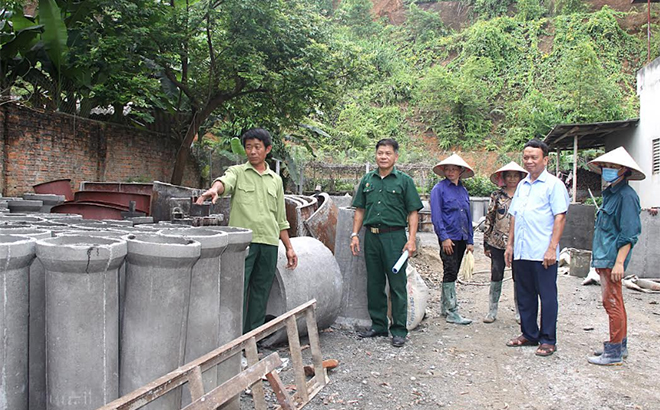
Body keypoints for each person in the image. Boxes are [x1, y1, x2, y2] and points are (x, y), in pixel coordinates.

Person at [196, 128, 297, 334]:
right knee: (237, 290)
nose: (252, 151)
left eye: (257, 147)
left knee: (261, 293)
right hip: (244, 243)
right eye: (249, 147)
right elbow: (224, 181)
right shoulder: (238, 173)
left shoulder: (276, 181)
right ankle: (234, 339)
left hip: (268, 242)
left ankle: (254, 340)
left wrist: (289, 247)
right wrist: (215, 189)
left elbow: (281, 218)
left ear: (267, 149)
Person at [350, 138, 423, 347]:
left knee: (397, 284)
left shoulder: (404, 181)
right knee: (374, 282)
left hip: (395, 237)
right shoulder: (367, 180)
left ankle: (399, 329)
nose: (383, 156)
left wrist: (411, 240)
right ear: (376, 155)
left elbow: (413, 212)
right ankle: (378, 325)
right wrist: (354, 234)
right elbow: (360, 210)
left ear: (396, 156)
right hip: (371, 236)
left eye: (388, 153)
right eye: (380, 153)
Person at [504, 139, 570, 357]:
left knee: (547, 295)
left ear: (545, 159)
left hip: (542, 252)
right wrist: (510, 245)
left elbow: (559, 217)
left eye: (534, 157)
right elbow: (515, 216)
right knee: (524, 294)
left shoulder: (553, 185)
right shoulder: (522, 185)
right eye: (526, 157)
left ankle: (548, 339)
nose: (529, 161)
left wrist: (552, 248)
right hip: (522, 251)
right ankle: (529, 334)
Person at [586, 147, 644, 366]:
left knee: (612, 302)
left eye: (614, 166)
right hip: (605, 257)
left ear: (624, 170)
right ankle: (619, 345)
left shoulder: (627, 197)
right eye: (606, 166)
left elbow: (629, 233)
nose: (608, 170)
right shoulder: (611, 194)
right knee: (614, 301)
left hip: (612, 259)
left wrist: (619, 262)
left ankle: (614, 353)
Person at [430, 153, 475, 325]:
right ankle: (452, 311)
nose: (450, 172)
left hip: (462, 236)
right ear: (443, 171)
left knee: (453, 271)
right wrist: (444, 238)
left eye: (454, 169)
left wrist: (470, 240)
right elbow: (437, 216)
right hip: (448, 237)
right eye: (447, 169)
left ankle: (444, 307)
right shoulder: (438, 190)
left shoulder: (463, 190)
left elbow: (467, 216)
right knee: (450, 270)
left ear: (460, 171)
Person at [483, 162, 527, 323]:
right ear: (503, 178)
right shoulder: (497, 196)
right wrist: (486, 242)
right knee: (496, 274)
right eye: (509, 176)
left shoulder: (525, 194)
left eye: (516, 176)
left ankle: (520, 312)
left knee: (519, 277)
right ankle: (492, 311)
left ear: (521, 177)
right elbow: (490, 217)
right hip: (497, 242)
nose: (512, 179)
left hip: (519, 243)